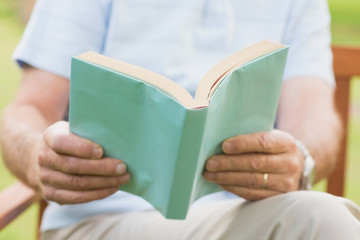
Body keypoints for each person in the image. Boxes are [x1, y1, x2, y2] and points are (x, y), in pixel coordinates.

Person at [1, 0, 360, 239]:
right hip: (101, 224)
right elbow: (27, 112)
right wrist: (41, 157)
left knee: (318, 217)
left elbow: (315, 121)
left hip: (245, 219)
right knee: (321, 220)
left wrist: (300, 160)